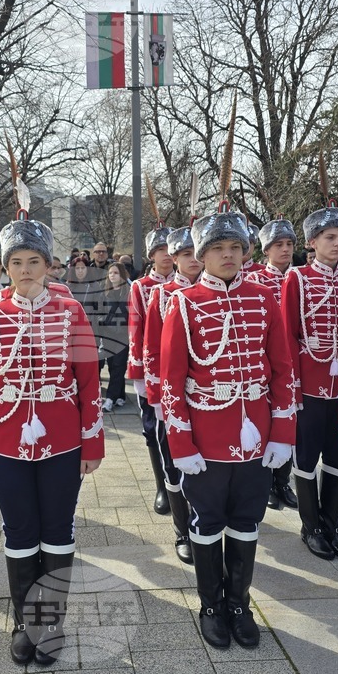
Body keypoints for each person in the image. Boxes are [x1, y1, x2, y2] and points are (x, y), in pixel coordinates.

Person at [0, 206, 104, 666]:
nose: (25, 271)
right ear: (5, 268)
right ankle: (26, 621)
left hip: (62, 440)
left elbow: (87, 380)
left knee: (58, 530)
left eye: (34, 262)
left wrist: (92, 441)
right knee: (20, 531)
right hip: (6, 443)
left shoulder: (72, 311)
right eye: (16, 263)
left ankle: (51, 620)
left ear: (49, 266)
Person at [159, 207, 296, 650]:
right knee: (207, 520)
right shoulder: (184, 302)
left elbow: (282, 371)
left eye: (236, 247)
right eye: (218, 248)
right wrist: (180, 442)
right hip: (206, 435)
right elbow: (171, 379)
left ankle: (238, 602)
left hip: (255, 434)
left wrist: (282, 433)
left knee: (246, 519)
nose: (229, 255)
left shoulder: (264, 298)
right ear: (202, 254)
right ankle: (210, 604)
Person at [282, 201, 338, 561]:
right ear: (312, 242)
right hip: (310, 385)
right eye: (330, 237)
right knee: (305, 458)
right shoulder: (297, 278)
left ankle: (331, 523)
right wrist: (293, 389)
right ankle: (311, 527)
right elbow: (287, 335)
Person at [144, 227, 201, 565]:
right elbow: (152, 350)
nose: (193, 260)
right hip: (172, 396)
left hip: (210, 398)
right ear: (175, 259)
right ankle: (183, 532)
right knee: (174, 466)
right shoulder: (162, 295)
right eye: (186, 254)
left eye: (197, 252)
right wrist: (159, 400)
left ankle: (204, 524)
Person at [246, 218, 300, 511]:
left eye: (289, 244)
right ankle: (267, 482)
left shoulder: (300, 278)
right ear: (266, 250)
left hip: (298, 362)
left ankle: (283, 480)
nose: (285, 250)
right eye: (278, 245)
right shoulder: (256, 281)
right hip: (267, 362)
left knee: (290, 422)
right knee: (268, 423)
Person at [127, 225, 175, 517]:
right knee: (153, 430)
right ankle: (162, 485)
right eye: (160, 250)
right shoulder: (141, 286)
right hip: (151, 367)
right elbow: (137, 329)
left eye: (170, 249)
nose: (166, 255)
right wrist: (140, 374)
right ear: (151, 255)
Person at [96, 263, 131, 413]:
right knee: (112, 367)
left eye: (116, 273)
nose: (112, 275)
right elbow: (98, 312)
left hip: (123, 336)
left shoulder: (128, 292)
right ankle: (120, 395)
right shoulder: (104, 293)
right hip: (108, 335)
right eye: (110, 273)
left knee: (119, 366)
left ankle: (110, 399)